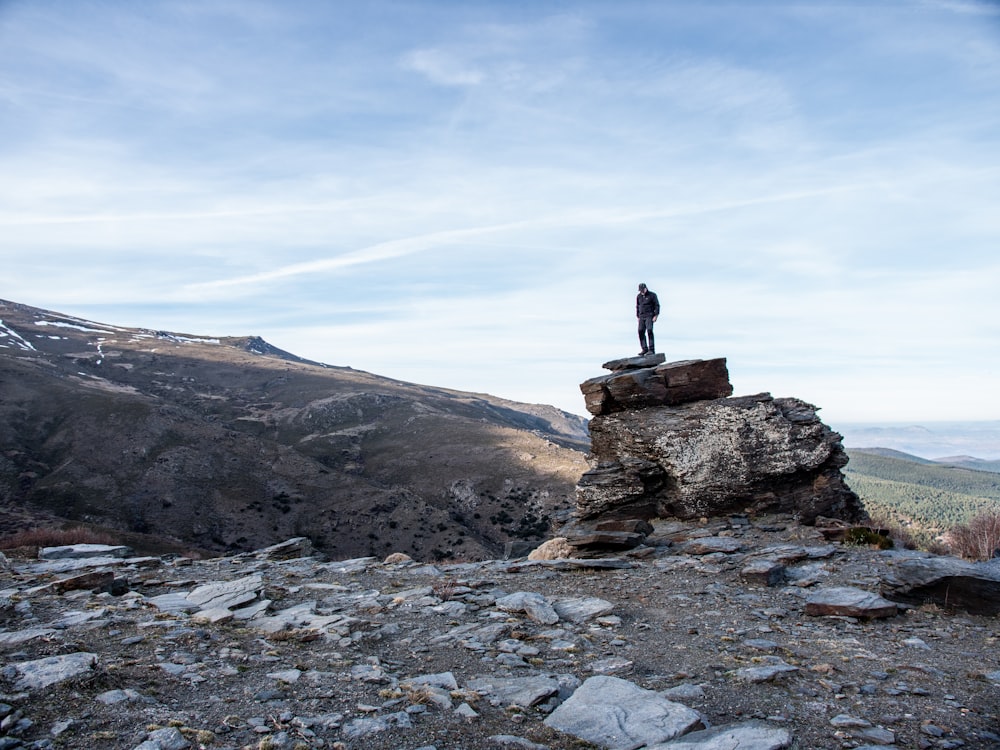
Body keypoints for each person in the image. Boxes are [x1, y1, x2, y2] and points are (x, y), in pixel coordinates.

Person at [636, 282, 660, 356]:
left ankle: (651, 350)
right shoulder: (639, 296)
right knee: (640, 331)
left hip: (649, 315)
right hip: (641, 316)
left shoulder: (652, 295)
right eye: (640, 290)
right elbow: (637, 306)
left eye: (642, 290)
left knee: (649, 330)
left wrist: (656, 315)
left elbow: (657, 305)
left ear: (646, 288)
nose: (641, 292)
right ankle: (644, 349)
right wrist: (638, 316)